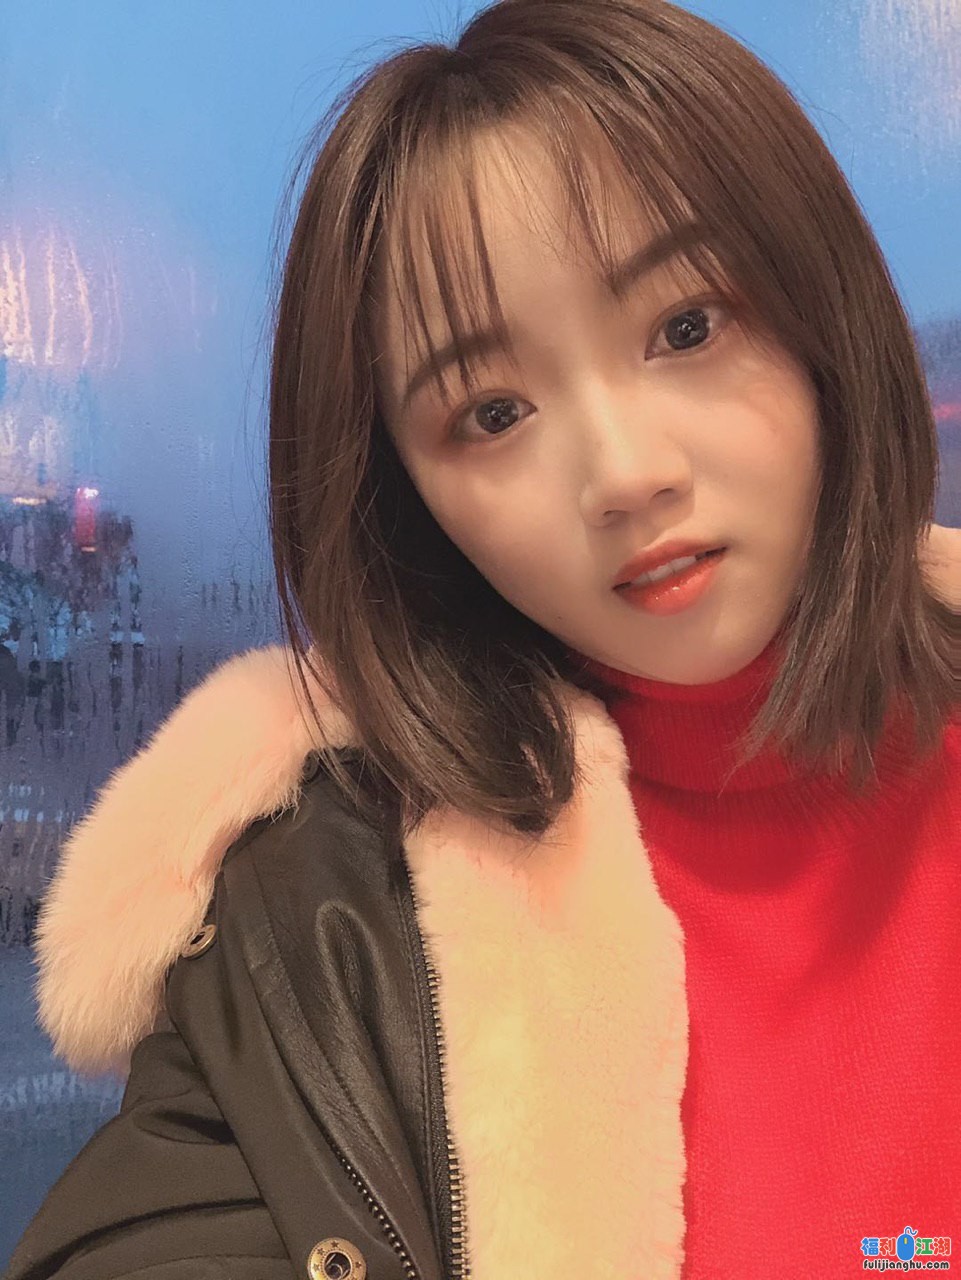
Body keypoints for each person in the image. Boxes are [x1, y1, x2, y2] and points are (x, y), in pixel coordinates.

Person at [6, 0, 960, 1276]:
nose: (625, 474)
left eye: (687, 326)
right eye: (493, 412)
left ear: (822, 317)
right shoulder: (326, 902)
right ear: (410, 499)